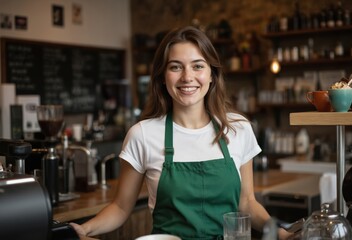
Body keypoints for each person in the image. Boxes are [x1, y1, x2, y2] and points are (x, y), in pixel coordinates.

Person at [71, 26, 291, 239]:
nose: (187, 77)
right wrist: (85, 229)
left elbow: (247, 202)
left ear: (212, 74)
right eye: (176, 67)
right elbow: (120, 207)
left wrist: (279, 232)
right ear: (162, 76)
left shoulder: (238, 128)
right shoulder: (142, 135)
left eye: (198, 66)